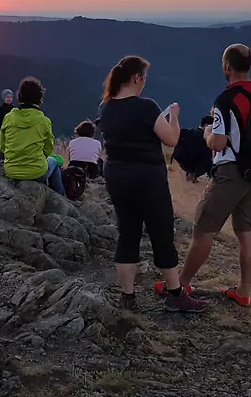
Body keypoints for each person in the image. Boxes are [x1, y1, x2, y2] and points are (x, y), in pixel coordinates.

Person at [98, 56, 207, 313]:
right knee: (161, 234)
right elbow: (171, 139)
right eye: (144, 77)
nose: (145, 81)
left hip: (116, 176)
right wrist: (174, 117)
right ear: (137, 78)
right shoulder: (147, 107)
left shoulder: (105, 107)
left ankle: (127, 296)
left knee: (127, 233)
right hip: (147, 178)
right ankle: (175, 295)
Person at [174, 44, 251, 308]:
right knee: (246, 232)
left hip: (231, 172)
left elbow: (218, 144)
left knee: (203, 228)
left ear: (227, 67)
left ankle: (180, 286)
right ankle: (243, 292)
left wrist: (207, 134)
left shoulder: (226, 99)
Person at [0, 77, 66, 196]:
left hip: (11, 170)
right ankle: (60, 197)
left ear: (19, 96)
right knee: (54, 161)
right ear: (39, 98)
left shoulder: (8, 118)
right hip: (37, 172)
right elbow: (48, 149)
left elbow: (2, 145)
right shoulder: (44, 121)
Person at [172, 115, 214, 183]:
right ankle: (194, 175)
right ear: (206, 125)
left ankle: (190, 174)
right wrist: (211, 175)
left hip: (183, 163)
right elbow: (207, 157)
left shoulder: (192, 132)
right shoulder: (204, 138)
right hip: (195, 164)